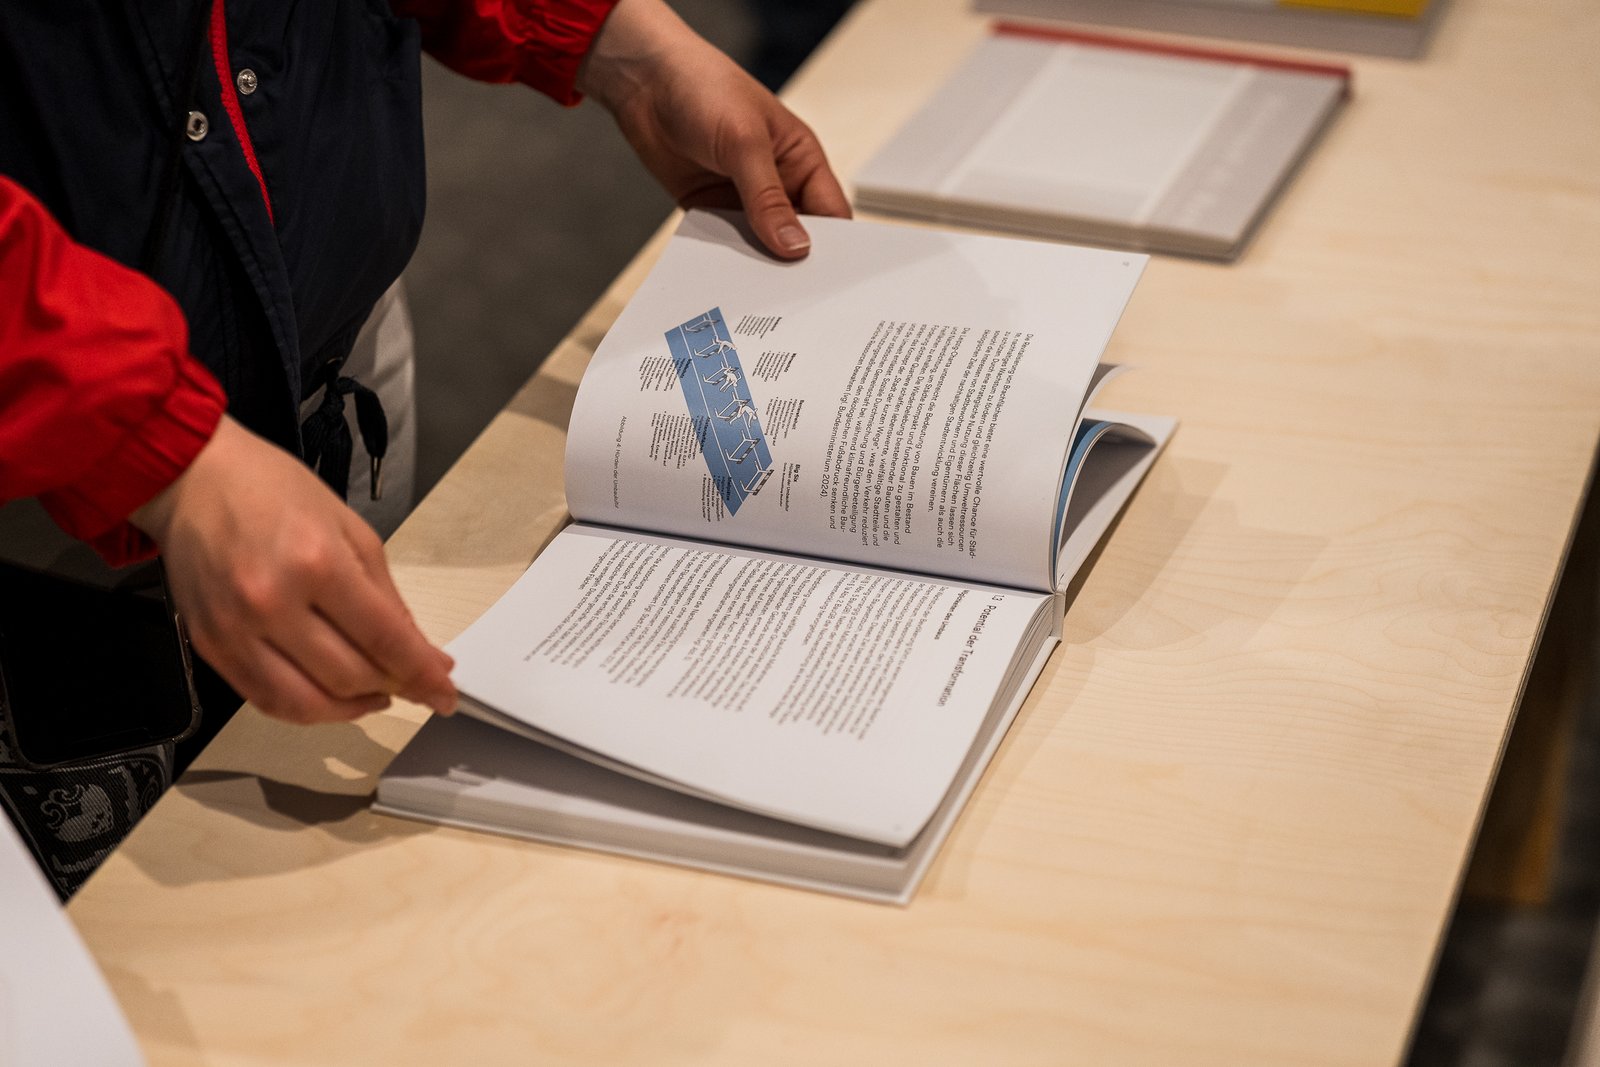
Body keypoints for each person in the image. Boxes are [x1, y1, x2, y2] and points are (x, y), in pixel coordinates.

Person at [0, 0, 850, 895]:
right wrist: (160, 448)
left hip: (329, 383)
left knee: (349, 863)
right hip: (59, 504)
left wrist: (616, 41)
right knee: (145, 930)